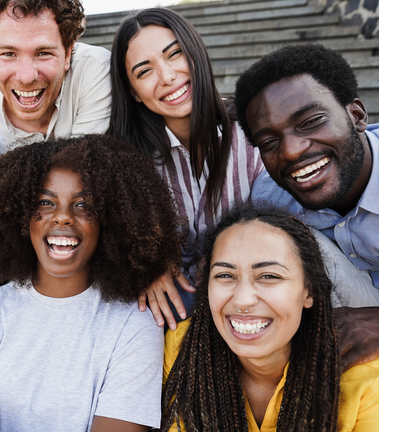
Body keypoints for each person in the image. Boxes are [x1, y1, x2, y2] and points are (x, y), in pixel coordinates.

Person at [0, 135, 186, 431]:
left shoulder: (133, 324)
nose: (63, 217)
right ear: (22, 218)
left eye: (84, 205)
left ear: (111, 221)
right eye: (45, 202)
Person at [107, 8, 263, 328]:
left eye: (174, 54)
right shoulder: (130, 162)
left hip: (255, 285)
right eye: (144, 71)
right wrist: (144, 264)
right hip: (180, 302)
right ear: (134, 93)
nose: (167, 77)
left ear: (195, 51)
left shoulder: (255, 133)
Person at [161, 205, 378, 432]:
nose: (243, 300)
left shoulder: (368, 383)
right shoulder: (183, 349)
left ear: (309, 291)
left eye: (269, 276)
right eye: (225, 275)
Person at [235, 43, 379, 298]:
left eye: (310, 122)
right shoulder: (268, 199)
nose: (291, 151)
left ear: (356, 115)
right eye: (269, 142)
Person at [0, 0, 112, 157]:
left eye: (43, 53)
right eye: (9, 54)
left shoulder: (96, 69)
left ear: (68, 54)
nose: (27, 77)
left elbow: (84, 171)